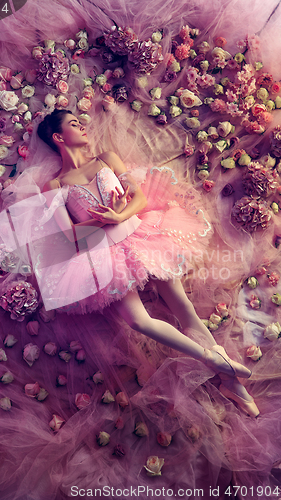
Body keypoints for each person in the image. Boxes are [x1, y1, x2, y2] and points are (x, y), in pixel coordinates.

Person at [36, 108, 259, 417]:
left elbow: (138, 199)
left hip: (143, 233)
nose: (83, 126)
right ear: (59, 137)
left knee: (184, 308)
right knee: (137, 321)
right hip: (105, 256)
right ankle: (215, 361)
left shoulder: (105, 159)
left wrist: (119, 215)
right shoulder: (54, 187)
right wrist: (105, 222)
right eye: (74, 124)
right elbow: (70, 238)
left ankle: (233, 386)